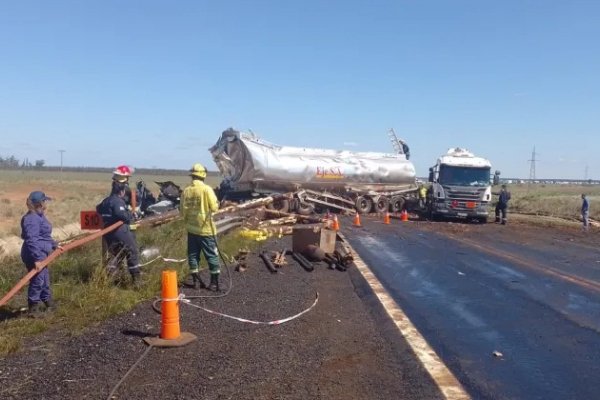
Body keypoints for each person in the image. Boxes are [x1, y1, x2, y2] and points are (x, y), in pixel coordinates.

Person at [181, 163, 221, 291]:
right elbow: (214, 207)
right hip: (206, 230)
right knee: (212, 255)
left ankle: (196, 283)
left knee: (193, 255)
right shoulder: (206, 189)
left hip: (192, 229)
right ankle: (214, 284)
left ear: (192, 176)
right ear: (203, 175)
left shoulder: (186, 191)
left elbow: (182, 211)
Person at [20, 191, 61, 314]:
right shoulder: (31, 219)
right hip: (33, 254)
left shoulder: (39, 215)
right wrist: (37, 259)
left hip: (41, 252)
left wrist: (54, 244)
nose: (46, 203)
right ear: (40, 203)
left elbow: (44, 236)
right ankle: (33, 308)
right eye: (44, 201)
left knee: (44, 279)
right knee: (38, 281)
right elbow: (31, 240)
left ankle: (48, 302)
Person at [97, 180, 141, 286]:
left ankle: (114, 279)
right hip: (119, 232)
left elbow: (98, 208)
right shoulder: (118, 201)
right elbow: (121, 215)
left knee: (116, 255)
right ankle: (137, 280)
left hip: (108, 234)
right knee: (132, 251)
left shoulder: (105, 201)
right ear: (121, 192)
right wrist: (132, 215)